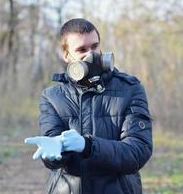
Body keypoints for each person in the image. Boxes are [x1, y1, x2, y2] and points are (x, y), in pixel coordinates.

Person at [25, 18, 153, 194]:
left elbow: (138, 151)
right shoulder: (52, 97)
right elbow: (53, 157)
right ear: (67, 55)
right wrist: (54, 154)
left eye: (94, 47)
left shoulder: (130, 89)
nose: (91, 55)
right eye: (81, 50)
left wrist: (88, 145)